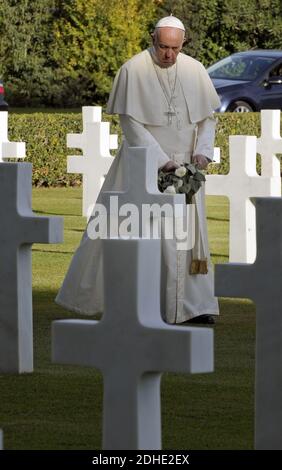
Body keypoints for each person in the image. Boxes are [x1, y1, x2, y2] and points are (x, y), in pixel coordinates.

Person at [56, 15, 220, 325]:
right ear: (152, 40)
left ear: (183, 43)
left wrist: (201, 154)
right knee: (132, 232)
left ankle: (192, 307)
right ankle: (134, 301)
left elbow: (207, 119)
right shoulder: (133, 70)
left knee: (188, 237)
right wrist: (164, 163)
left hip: (187, 166)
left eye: (174, 48)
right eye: (162, 47)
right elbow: (132, 124)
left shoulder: (195, 71)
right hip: (144, 165)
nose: (168, 55)